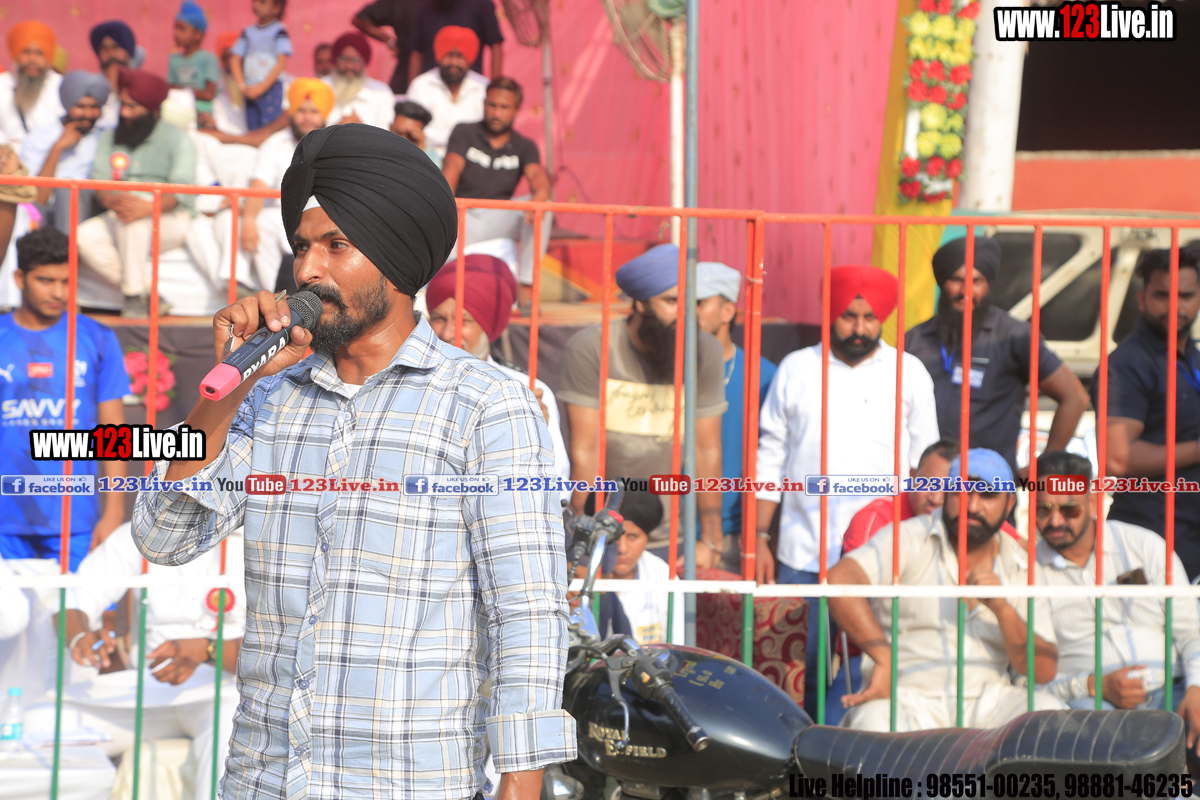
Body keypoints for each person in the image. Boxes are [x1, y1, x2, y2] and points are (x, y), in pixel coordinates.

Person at [133, 124, 574, 800]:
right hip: (264, 781)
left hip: (410, 783)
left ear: (396, 259)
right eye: (302, 247)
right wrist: (229, 388)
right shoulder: (268, 397)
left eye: (335, 246)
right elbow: (163, 539)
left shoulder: (487, 405)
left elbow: (527, 612)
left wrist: (522, 781)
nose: (308, 270)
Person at [754, 264, 939, 725]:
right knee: (800, 675)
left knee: (876, 670)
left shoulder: (909, 373)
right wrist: (759, 537)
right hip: (804, 549)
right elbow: (770, 456)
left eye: (870, 318)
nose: (860, 328)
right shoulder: (797, 369)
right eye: (849, 316)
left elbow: (926, 465)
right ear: (831, 313)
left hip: (885, 553)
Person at [829, 448, 1067, 732]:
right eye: (961, 492)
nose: (973, 506)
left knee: (1051, 717)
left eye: (988, 495)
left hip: (989, 701)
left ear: (1009, 504)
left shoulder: (1021, 563)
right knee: (874, 721)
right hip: (906, 697)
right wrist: (883, 657)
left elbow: (1043, 671)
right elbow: (839, 580)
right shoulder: (909, 536)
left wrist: (1002, 608)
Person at [23, 522, 245, 800]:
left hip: (227, 691)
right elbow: (72, 602)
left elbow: (280, 650)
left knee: (235, 730)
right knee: (39, 721)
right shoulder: (141, 532)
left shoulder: (265, 539)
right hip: (146, 690)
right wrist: (80, 637)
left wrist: (208, 649)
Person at [559, 243, 728, 567]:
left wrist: (710, 538)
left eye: (690, 301)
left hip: (672, 536)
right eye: (671, 301)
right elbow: (585, 451)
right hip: (603, 528)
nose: (684, 313)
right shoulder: (591, 347)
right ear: (640, 303)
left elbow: (707, 449)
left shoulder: (704, 350)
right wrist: (578, 535)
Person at [1032, 451, 1200, 733]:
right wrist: (1093, 684)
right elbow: (1027, 679)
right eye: (1043, 510)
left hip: (1177, 689)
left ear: (1094, 502)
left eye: (1070, 509)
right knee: (1086, 727)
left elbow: (1192, 631)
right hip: (1092, 706)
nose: (1055, 521)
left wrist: (1197, 687)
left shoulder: (1144, 545)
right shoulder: (1026, 572)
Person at [905, 236, 1089, 476]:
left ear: (988, 284)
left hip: (989, 484)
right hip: (929, 484)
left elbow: (1075, 397)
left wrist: (1041, 467)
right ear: (942, 282)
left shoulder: (1013, 336)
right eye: (956, 280)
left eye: (976, 281)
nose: (965, 291)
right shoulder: (914, 340)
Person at [0, 227, 129, 570]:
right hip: (4, 518)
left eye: (66, 281)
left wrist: (113, 512)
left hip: (75, 520)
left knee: (75, 606)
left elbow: (113, 430)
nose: (58, 292)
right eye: (46, 280)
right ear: (19, 278)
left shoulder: (97, 337)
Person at [424, 253, 571, 497]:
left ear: (488, 327)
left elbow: (557, 487)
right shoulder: (408, 381)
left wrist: (534, 435)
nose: (448, 333)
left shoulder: (527, 389)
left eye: (464, 321)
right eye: (439, 319)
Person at [1093, 247, 1200, 581]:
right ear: (1142, 299)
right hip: (1146, 536)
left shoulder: (1193, 356)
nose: (1175, 306)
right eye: (1162, 295)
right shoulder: (1127, 364)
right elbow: (1117, 459)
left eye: (1186, 295)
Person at [190, 78, 333, 296]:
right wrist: (248, 221)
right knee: (261, 221)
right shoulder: (275, 143)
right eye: (301, 110)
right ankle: (280, 296)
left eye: (314, 111)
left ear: (324, 115)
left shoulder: (335, 144)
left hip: (325, 215)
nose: (307, 117)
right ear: (291, 112)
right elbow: (259, 184)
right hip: (284, 216)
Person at [78, 69, 197, 319]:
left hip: (170, 218)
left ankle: (133, 300)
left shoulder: (178, 138)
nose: (125, 113)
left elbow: (182, 190)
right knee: (84, 236)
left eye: (132, 107)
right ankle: (148, 293)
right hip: (120, 210)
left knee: (133, 220)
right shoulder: (110, 136)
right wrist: (113, 200)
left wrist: (148, 207)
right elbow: (99, 182)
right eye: (123, 105)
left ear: (154, 111)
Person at [693, 261, 777, 575]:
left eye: (699, 303)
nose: (687, 312)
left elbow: (775, 457)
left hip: (736, 536)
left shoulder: (765, 376)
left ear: (728, 311)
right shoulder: (662, 369)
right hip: (666, 530)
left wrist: (758, 534)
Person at [443, 77, 551, 302]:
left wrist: (541, 195)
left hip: (500, 217)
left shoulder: (525, 146)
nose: (496, 113)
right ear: (484, 104)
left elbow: (536, 175)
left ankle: (526, 287)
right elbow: (452, 166)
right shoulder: (464, 132)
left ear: (516, 110)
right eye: (492, 105)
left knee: (544, 206)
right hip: (463, 214)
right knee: (441, 209)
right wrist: (444, 203)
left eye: (504, 107)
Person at [583, 488, 684, 644]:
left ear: (647, 538)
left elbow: (676, 646)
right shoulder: (579, 574)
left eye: (633, 536)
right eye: (614, 538)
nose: (622, 549)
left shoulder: (663, 576)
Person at [19, 70, 109, 234]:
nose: (88, 114)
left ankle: (70, 249)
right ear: (68, 105)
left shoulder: (106, 136)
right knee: (64, 192)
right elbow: (37, 198)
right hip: (48, 213)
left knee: (70, 192)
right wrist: (57, 149)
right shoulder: (39, 138)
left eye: (94, 107)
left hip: (93, 210)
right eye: (80, 107)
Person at [406, 25, 488, 158]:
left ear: (470, 59)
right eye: (449, 55)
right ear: (438, 56)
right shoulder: (421, 85)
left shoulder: (483, 87)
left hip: (472, 158)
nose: (454, 63)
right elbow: (413, 130)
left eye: (460, 56)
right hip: (427, 155)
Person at [230, 0, 292, 131]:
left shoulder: (279, 31)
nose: (256, 5)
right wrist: (242, 86)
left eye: (262, 2)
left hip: (271, 89)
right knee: (252, 129)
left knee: (269, 131)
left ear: (276, 8)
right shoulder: (247, 32)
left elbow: (281, 62)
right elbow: (234, 59)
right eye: (254, 1)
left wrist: (262, 87)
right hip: (250, 90)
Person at [408, 0, 503, 84]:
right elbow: (417, 51)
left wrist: (495, 87)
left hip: (470, 88)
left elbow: (495, 46)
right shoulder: (426, 7)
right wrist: (412, 86)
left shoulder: (482, 4)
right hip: (432, 86)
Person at [0, 22, 64, 146]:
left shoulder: (61, 87)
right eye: (26, 52)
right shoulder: (2, 86)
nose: (32, 59)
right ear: (16, 55)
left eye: (39, 53)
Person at [322, 31, 395, 128]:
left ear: (364, 62)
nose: (349, 66)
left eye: (356, 60)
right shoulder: (322, 86)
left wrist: (360, 129)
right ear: (336, 60)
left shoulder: (381, 92)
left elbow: (387, 131)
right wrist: (336, 128)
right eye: (344, 59)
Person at [352, 0, 425, 93]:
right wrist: (389, 41)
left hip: (434, 72)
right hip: (406, 73)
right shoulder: (399, 3)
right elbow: (360, 19)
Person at [168, 1, 221, 117]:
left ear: (198, 34)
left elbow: (208, 94)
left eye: (182, 29)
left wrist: (181, 91)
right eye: (175, 28)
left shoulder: (209, 59)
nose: (176, 33)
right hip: (180, 113)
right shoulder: (174, 59)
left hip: (204, 114)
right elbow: (170, 89)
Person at [88, 21, 137, 130]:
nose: (110, 53)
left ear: (127, 51)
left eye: (116, 47)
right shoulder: (92, 91)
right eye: (104, 49)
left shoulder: (139, 90)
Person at [391, 99, 438, 164]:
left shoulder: (432, 159)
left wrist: (420, 153)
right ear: (390, 127)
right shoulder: (378, 149)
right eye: (398, 133)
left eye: (410, 136)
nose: (403, 140)